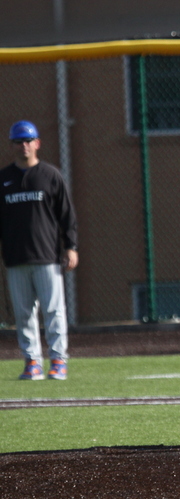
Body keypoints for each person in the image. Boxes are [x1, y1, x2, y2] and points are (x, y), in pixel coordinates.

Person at [0, 121, 78, 380]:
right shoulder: (4, 179)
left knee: (53, 310)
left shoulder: (50, 175)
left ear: (37, 143)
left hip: (47, 256)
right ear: (12, 145)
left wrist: (71, 246)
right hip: (15, 258)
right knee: (23, 314)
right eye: (18, 141)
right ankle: (32, 361)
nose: (24, 145)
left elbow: (66, 215)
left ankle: (58, 361)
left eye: (28, 140)